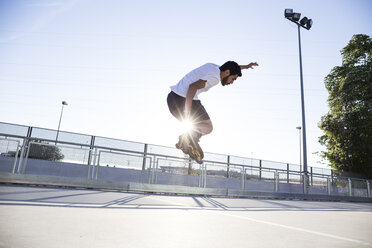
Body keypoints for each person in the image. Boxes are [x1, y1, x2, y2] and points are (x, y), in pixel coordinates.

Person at [167, 61, 258, 161]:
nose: (231, 82)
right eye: (233, 79)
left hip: (173, 98)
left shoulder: (213, 67)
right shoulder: (215, 78)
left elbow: (233, 67)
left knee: (204, 126)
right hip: (183, 99)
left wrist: (246, 66)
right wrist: (187, 112)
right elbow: (192, 87)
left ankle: (185, 140)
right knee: (208, 127)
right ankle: (187, 137)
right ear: (227, 72)